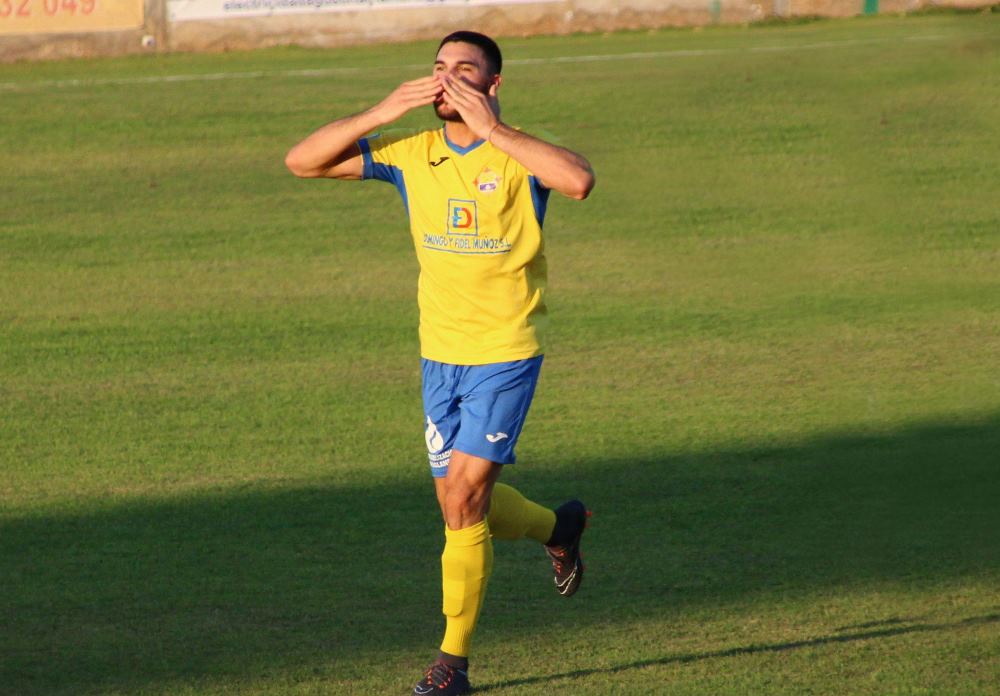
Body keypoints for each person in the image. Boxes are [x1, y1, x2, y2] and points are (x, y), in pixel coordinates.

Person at [285, 30, 595, 695]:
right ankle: (558, 527)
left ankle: (451, 666)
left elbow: (577, 180)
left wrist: (497, 129)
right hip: (440, 357)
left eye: (464, 71)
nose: (447, 80)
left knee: (462, 498)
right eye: (438, 69)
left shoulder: (518, 155)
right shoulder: (411, 152)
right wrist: (379, 112)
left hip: (505, 353)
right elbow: (301, 162)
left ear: (492, 84)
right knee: (461, 508)